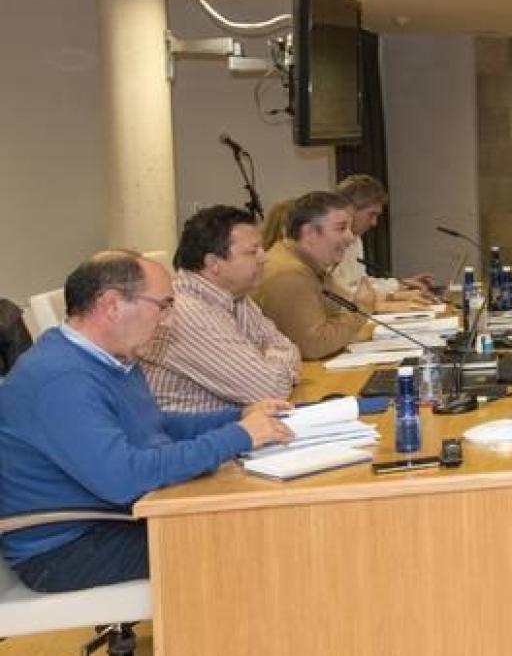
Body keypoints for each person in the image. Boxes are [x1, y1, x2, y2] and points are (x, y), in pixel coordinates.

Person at [0, 251, 293, 592]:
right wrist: (237, 437)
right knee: (248, 542)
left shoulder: (109, 355)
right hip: (67, 548)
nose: (169, 321)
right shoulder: (61, 379)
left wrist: (239, 417)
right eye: (164, 305)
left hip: (112, 518)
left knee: (256, 523)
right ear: (111, 305)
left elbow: (153, 426)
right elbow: (126, 479)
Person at [139, 205, 301, 412]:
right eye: (253, 251)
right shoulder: (186, 311)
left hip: (235, 425)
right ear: (214, 263)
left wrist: (269, 361)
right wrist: (274, 362)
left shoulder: (235, 296)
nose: (264, 257)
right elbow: (269, 389)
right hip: (194, 436)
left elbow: (287, 347)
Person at [254, 189, 426, 359]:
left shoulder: (308, 263)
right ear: (309, 234)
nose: (350, 237)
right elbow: (314, 346)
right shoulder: (289, 274)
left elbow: (344, 306)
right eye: (341, 228)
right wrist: (362, 310)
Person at [333, 174, 437, 306]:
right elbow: (342, 294)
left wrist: (399, 284)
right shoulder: (329, 243)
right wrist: (395, 295)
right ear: (350, 209)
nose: (374, 223)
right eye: (371, 214)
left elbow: (361, 283)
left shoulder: (356, 239)